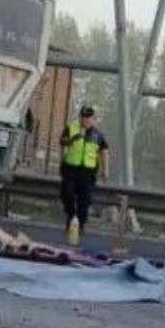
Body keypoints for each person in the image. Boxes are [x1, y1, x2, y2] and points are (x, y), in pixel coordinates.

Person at [59, 105, 110, 245]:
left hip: (87, 172)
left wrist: (105, 171)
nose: (85, 120)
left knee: (84, 200)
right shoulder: (71, 128)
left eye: (89, 118)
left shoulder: (98, 135)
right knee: (67, 195)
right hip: (70, 168)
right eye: (83, 117)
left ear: (94, 120)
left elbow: (104, 151)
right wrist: (75, 137)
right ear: (80, 117)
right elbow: (62, 142)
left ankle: (79, 226)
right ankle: (71, 216)